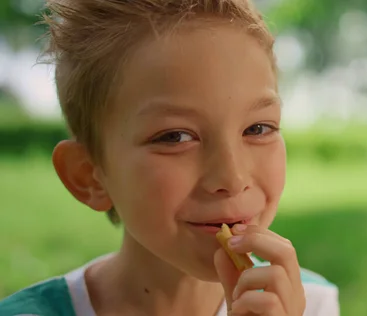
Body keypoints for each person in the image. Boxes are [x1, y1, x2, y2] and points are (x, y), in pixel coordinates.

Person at [0, 0, 339, 315]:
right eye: (175, 137)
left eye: (258, 128)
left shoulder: (310, 304)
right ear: (89, 175)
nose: (232, 179)